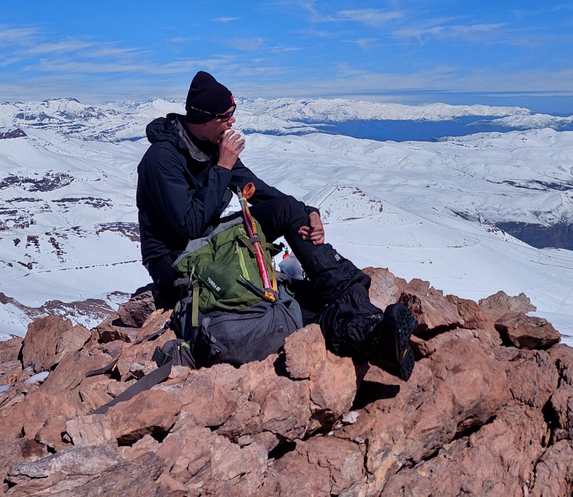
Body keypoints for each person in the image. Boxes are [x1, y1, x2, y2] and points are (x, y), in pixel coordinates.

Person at [136, 71, 417, 380]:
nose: (232, 123)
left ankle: (364, 315)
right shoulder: (161, 159)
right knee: (278, 301)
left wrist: (307, 212)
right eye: (227, 117)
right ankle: (369, 336)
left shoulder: (213, 149)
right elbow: (189, 226)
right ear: (206, 118)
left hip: (210, 242)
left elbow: (260, 192)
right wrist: (222, 168)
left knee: (287, 209)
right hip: (175, 259)